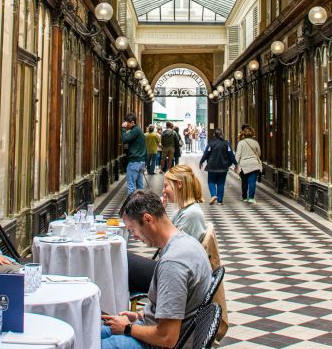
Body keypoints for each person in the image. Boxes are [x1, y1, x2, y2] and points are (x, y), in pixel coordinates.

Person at [102, 190, 211, 349]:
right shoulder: (187, 242)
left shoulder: (173, 263)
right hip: (149, 327)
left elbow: (167, 337)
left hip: (153, 344)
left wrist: (127, 327)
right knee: (89, 332)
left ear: (147, 219)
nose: (134, 237)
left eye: (132, 230)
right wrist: (139, 315)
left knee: (89, 341)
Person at [127, 165, 208, 293]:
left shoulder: (191, 214)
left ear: (179, 185)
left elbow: (174, 248)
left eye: (166, 186)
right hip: (170, 267)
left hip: (174, 273)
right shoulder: (183, 210)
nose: (163, 191)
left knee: (125, 261)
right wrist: (159, 212)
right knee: (124, 261)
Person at [200, 129, 237, 204]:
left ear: (214, 135)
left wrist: (201, 161)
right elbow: (231, 155)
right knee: (221, 183)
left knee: (211, 181)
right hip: (223, 166)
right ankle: (220, 201)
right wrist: (235, 163)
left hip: (212, 166)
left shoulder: (211, 143)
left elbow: (206, 153)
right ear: (222, 135)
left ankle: (213, 195)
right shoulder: (226, 144)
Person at [236, 126, 262, 203]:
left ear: (244, 134)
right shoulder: (256, 142)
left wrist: (236, 165)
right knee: (252, 182)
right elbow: (259, 154)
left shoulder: (241, 143)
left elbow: (238, 155)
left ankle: (244, 197)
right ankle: (251, 198)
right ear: (252, 134)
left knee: (244, 182)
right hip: (254, 164)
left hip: (244, 165)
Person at [121, 113, 147, 194]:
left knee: (131, 187)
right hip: (140, 161)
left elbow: (125, 139)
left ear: (132, 122)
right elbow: (145, 147)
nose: (125, 124)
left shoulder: (135, 130)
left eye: (126, 122)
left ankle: (131, 205)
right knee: (140, 186)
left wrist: (123, 129)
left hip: (134, 162)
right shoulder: (138, 130)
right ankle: (141, 204)